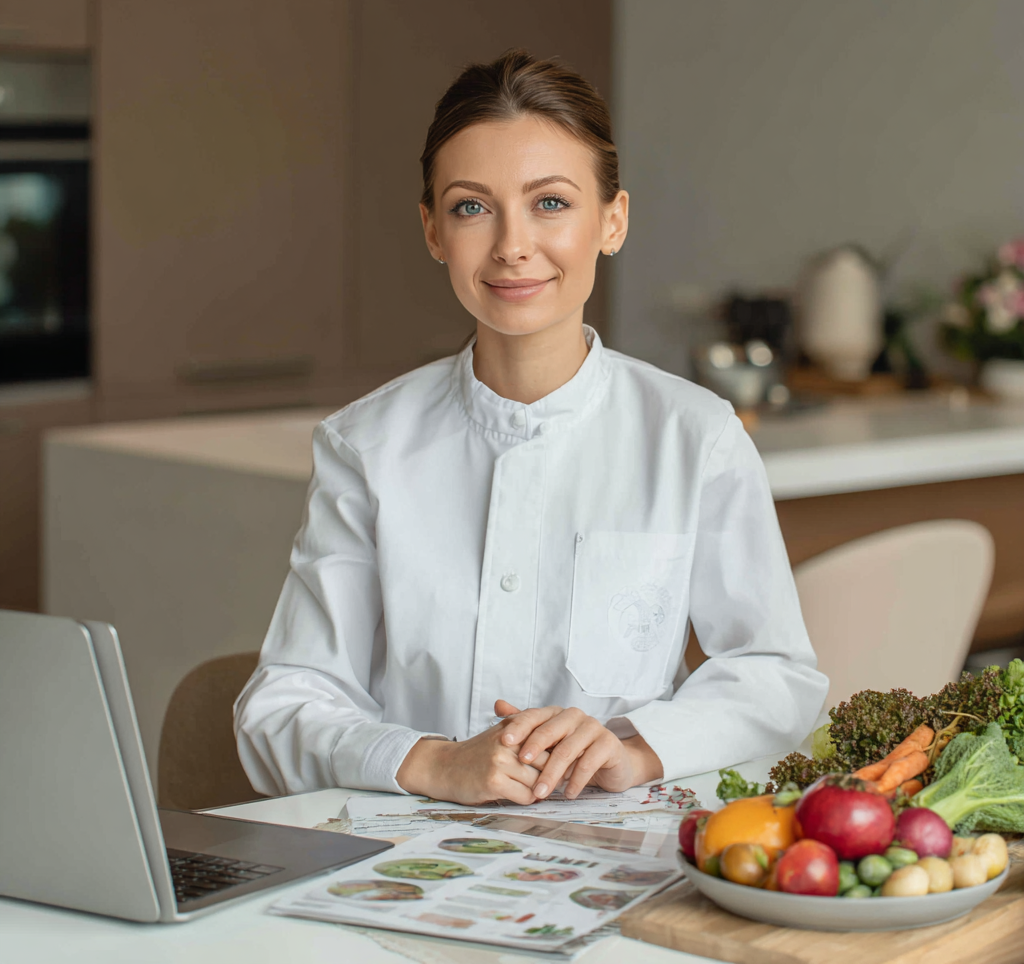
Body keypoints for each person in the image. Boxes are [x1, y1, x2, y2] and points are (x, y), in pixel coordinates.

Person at [234, 50, 828, 806]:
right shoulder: (366, 447)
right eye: (472, 207)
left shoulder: (695, 438)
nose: (512, 244)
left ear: (612, 221)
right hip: (399, 870)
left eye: (550, 202)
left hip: (620, 863)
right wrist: (430, 762)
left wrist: (636, 748)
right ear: (432, 231)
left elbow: (777, 676)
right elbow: (279, 706)